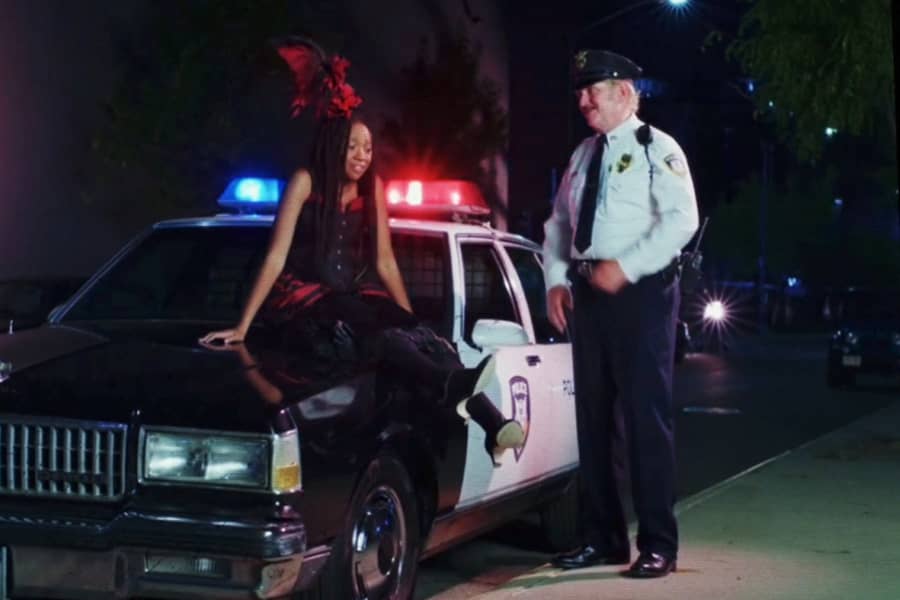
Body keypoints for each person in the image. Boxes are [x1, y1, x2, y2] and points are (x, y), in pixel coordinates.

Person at [200, 37, 524, 463]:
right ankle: (455, 393)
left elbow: (385, 261)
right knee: (380, 336)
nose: (362, 155)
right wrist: (243, 326)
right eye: (353, 146)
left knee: (427, 338)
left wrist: (413, 322)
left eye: (368, 148)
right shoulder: (306, 182)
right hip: (304, 297)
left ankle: (494, 424)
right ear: (334, 143)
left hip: (350, 294)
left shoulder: (373, 189)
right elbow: (275, 257)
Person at [542, 49, 699, 578]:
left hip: (642, 294)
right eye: (580, 91)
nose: (583, 100)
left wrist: (626, 267)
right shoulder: (583, 155)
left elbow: (681, 221)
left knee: (644, 419)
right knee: (592, 420)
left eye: (595, 89)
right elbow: (560, 226)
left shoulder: (658, 148)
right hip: (588, 296)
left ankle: (658, 543)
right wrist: (556, 282)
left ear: (626, 92)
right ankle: (601, 538)